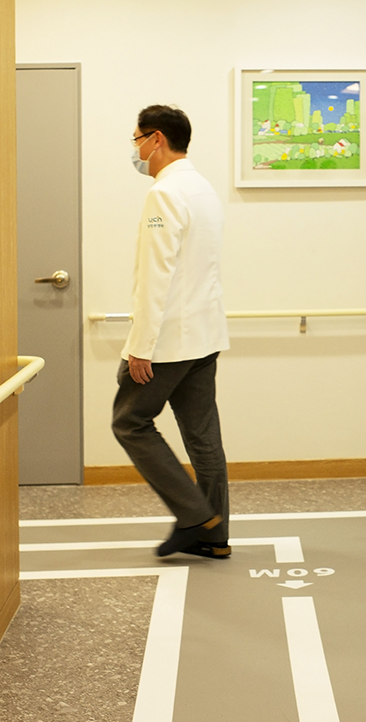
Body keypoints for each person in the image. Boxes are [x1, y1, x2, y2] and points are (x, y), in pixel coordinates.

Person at [111, 105, 232, 559]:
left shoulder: (164, 194)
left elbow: (155, 276)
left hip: (170, 342)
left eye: (136, 139)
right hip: (204, 334)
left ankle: (195, 516)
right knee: (203, 438)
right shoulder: (202, 188)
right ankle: (214, 537)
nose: (135, 149)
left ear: (156, 139)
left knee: (129, 422)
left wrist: (140, 347)